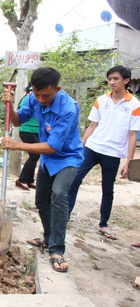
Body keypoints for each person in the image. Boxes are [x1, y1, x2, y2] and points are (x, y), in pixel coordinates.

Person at [1, 67, 84, 273]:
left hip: (68, 158)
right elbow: (18, 121)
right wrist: (9, 106)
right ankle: (48, 239)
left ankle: (56, 249)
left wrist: (17, 145)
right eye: (37, 94)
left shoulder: (68, 109)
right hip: (48, 159)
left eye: (45, 95)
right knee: (41, 201)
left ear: (57, 89)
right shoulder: (34, 98)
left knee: (58, 195)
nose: (40, 99)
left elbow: (53, 146)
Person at [67, 66, 140, 240]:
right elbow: (92, 126)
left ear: (126, 81)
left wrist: (128, 162)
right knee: (74, 179)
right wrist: (80, 148)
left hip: (113, 153)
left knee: (107, 189)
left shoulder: (134, 105)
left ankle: (103, 224)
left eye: (116, 79)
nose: (112, 82)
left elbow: (132, 135)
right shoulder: (101, 100)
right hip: (92, 147)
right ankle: (65, 215)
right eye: (110, 79)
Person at [15, 84, 39, 191]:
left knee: (35, 156)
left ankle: (30, 180)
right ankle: (22, 180)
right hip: (27, 130)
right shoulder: (27, 99)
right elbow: (20, 115)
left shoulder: (39, 99)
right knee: (35, 155)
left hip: (36, 131)